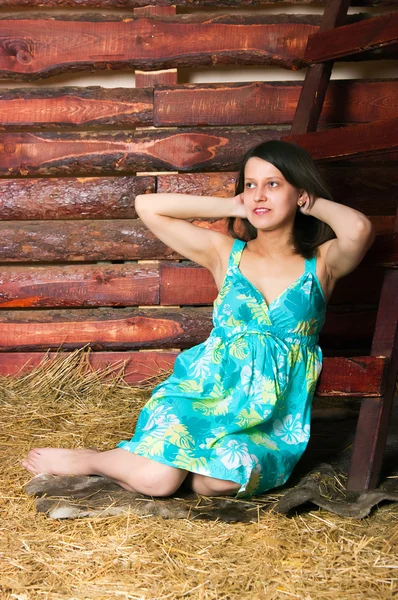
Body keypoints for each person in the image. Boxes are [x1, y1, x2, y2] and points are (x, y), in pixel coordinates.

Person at [22, 140, 375, 498]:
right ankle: (93, 461)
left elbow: (359, 229)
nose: (259, 196)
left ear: (299, 192)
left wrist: (310, 201)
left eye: (273, 184)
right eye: (250, 185)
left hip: (270, 416)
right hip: (204, 393)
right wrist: (230, 204)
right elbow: (148, 206)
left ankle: (162, 463)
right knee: (157, 482)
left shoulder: (323, 261)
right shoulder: (224, 253)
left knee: (220, 482)